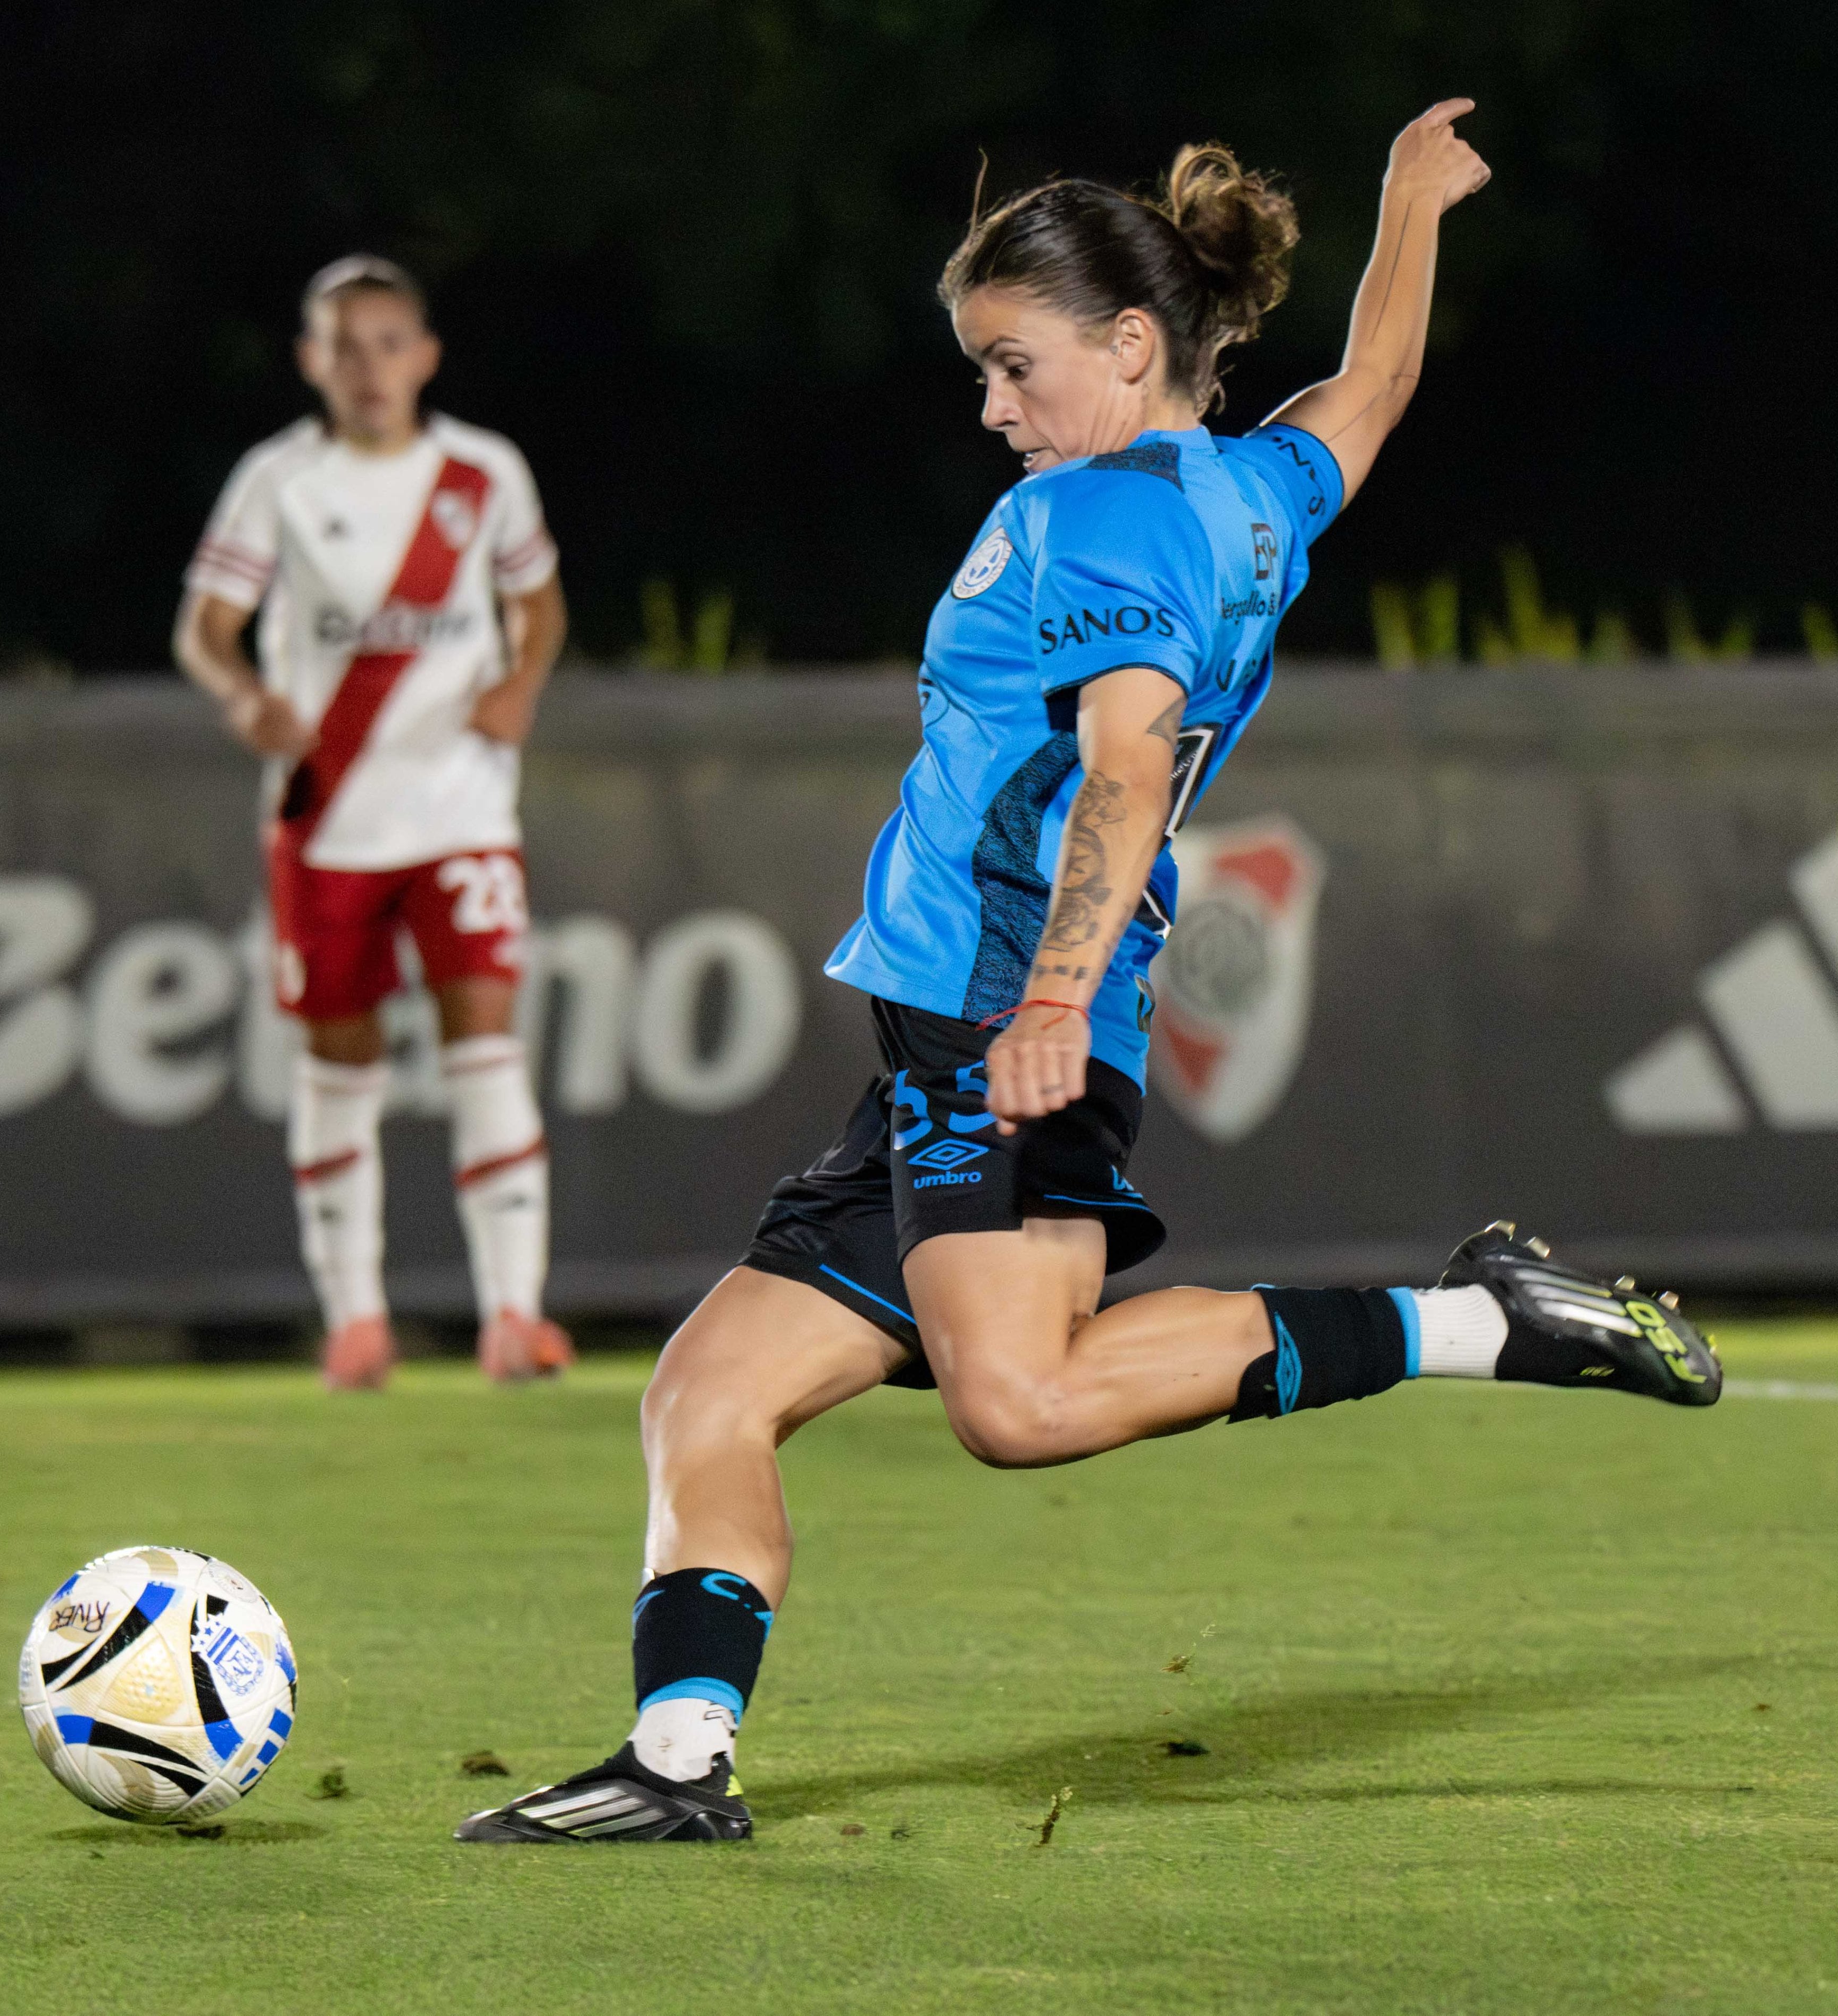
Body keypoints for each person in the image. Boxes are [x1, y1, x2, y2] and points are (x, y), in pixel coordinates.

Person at [455, 101, 1720, 1844]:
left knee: (1017, 1400)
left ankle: (1468, 1322)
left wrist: (1045, 998)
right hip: (948, 1047)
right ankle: (674, 1766)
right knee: (709, 1392)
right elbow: (1363, 395)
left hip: (1003, 1022)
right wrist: (1410, 208)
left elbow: (1124, 766)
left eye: (1011, 363)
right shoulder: (1244, 485)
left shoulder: (1096, 529)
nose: (989, 406)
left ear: (1129, 346)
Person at [175, 255, 573, 1389]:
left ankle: (515, 1314)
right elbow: (208, 622)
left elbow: (535, 599)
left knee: (486, 1041)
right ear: (312, 360)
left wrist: (520, 682)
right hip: (327, 815)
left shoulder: (481, 471)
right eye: (343, 346)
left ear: (424, 355)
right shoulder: (278, 481)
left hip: (459, 805)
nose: (367, 367)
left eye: (387, 342)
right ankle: (355, 1317)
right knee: (337, 1059)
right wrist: (243, 692)